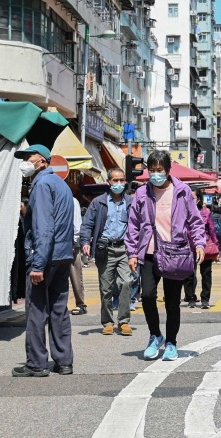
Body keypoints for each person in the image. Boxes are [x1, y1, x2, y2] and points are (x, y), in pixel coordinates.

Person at [124, 150, 206, 361]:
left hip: (175, 252)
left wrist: (199, 244)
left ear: (168, 170)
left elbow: (195, 221)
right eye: (152, 170)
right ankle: (155, 335)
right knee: (148, 296)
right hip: (150, 253)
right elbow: (133, 224)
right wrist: (132, 252)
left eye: (159, 170)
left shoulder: (182, 191)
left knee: (172, 302)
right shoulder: (142, 193)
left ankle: (171, 342)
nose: (155, 174)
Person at [13, 144, 77, 378]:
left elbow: (44, 227)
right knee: (59, 309)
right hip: (62, 255)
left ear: (42, 161)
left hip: (45, 256)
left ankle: (37, 363)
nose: (25, 162)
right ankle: (64, 361)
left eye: (28, 158)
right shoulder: (61, 184)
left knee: (37, 311)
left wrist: (38, 264)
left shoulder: (41, 185)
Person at [81, 167, 134, 336]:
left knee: (126, 283)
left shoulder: (130, 201)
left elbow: (138, 224)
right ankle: (108, 321)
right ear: (108, 182)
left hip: (125, 248)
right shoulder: (99, 202)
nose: (119, 184)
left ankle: (124, 321)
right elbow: (87, 223)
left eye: (121, 180)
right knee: (106, 288)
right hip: (105, 249)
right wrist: (85, 241)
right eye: (115, 181)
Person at [184, 192, 219, 309]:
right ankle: (190, 298)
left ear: (199, 199)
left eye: (193, 198)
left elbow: (212, 230)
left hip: (204, 246)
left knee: (206, 273)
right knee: (189, 274)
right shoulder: (183, 211)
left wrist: (217, 247)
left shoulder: (206, 212)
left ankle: (205, 299)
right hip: (188, 246)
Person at [68, 191, 88, 316]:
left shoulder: (72, 201)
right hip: (57, 244)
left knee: (75, 275)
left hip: (71, 244)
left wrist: (74, 241)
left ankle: (80, 304)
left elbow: (76, 223)